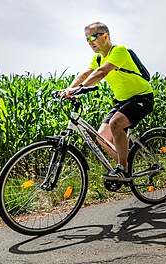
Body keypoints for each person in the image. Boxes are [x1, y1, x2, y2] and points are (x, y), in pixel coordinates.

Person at [61, 22, 154, 182]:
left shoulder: (119, 51)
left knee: (115, 124)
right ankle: (125, 165)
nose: (90, 42)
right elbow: (85, 74)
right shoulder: (97, 58)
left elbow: (102, 72)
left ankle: (123, 169)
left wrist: (80, 88)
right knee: (102, 137)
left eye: (92, 37)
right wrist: (69, 88)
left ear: (105, 36)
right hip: (122, 101)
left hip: (141, 97)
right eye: (87, 39)